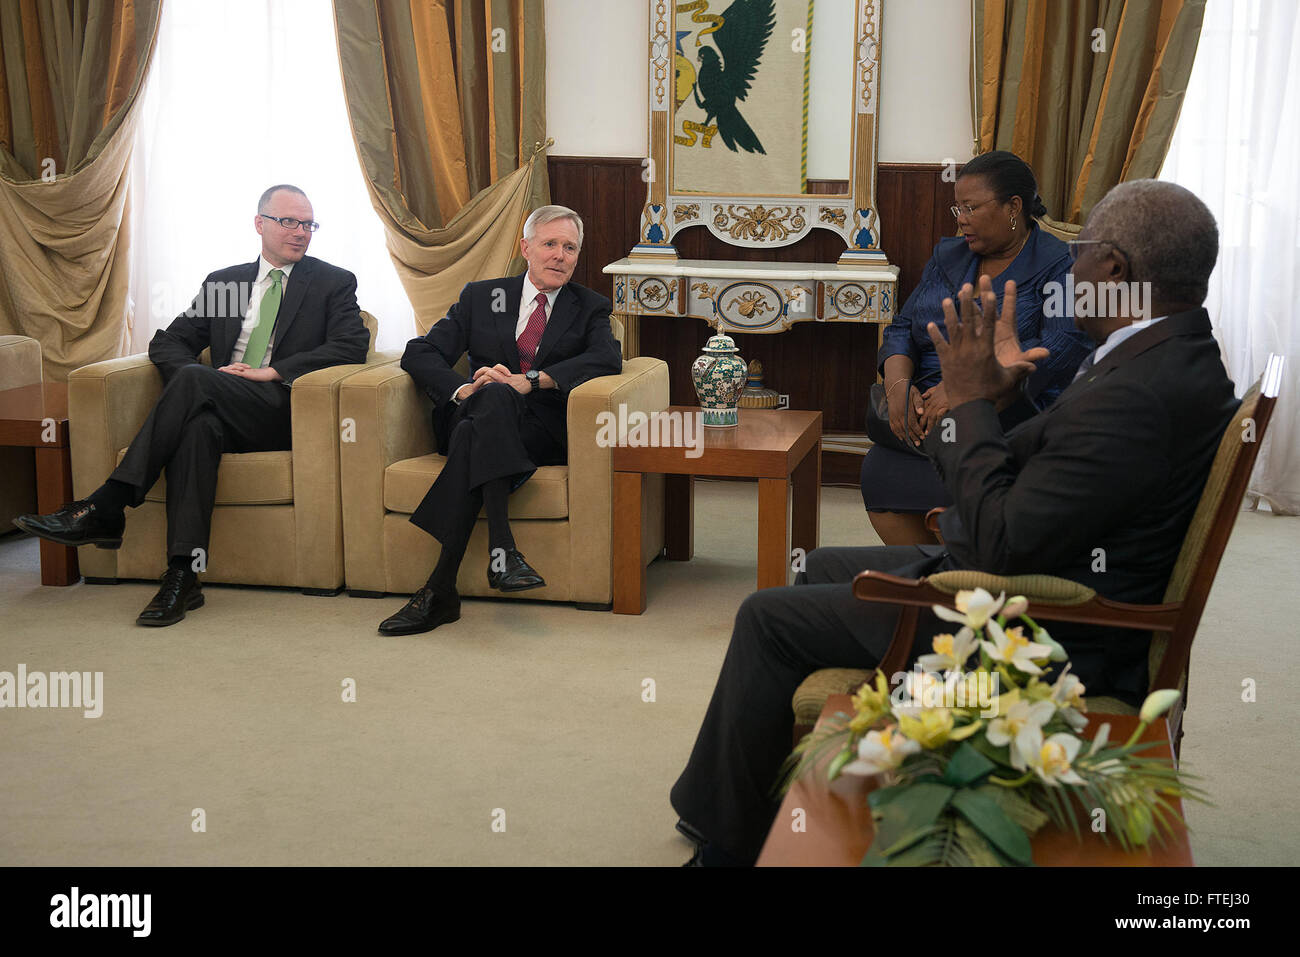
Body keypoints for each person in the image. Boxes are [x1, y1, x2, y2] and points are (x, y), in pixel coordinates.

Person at [670, 180, 1239, 866]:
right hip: (1042, 572)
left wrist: (968, 401)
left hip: (1047, 623)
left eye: (1082, 251)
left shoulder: (1140, 393)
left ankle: (725, 846)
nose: (1073, 268)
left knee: (767, 615)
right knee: (818, 566)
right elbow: (1066, 469)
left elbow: (1002, 541)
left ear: (1115, 269)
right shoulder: (1168, 353)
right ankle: (739, 805)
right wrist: (1005, 397)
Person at [14, 185, 369, 626]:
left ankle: (108, 504)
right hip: (220, 404)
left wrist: (271, 371)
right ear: (260, 224)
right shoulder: (227, 283)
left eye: (308, 224)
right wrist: (200, 380)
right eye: (289, 222)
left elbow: (352, 346)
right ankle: (182, 576)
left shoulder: (331, 282)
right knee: (197, 426)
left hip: (282, 409)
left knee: (196, 386)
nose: (301, 233)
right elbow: (170, 342)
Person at [376, 205, 622, 636]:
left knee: (484, 421)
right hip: (475, 407)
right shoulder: (482, 296)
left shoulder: (590, 307)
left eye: (570, 248)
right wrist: (463, 388)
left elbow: (606, 358)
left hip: (540, 430)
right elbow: (420, 352)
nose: (560, 256)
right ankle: (501, 552)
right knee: (489, 399)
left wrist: (532, 380)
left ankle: (440, 590)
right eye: (550, 244)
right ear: (525, 248)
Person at [864, 150, 1091, 545]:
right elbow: (902, 327)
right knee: (880, 467)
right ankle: (933, 585)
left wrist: (968, 389)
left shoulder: (1062, 265)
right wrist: (899, 387)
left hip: (1009, 413)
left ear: (1013, 208)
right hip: (924, 414)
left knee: (933, 463)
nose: (961, 219)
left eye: (970, 207)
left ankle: (963, 577)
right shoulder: (947, 256)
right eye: (957, 208)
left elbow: (1059, 348)